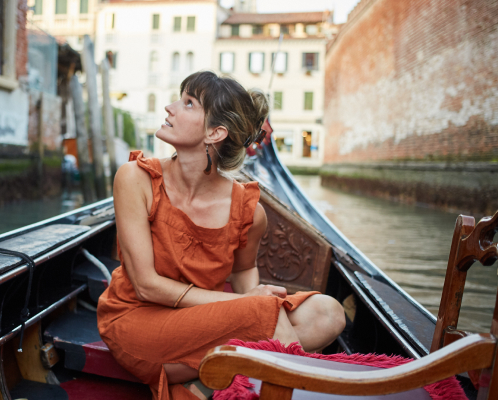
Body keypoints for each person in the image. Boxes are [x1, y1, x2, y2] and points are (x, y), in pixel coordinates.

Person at [97, 71, 346, 400]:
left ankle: (218, 372)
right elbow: (146, 285)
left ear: (215, 132)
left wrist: (249, 300)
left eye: (188, 103)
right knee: (261, 313)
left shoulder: (247, 210)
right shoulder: (136, 179)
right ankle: (294, 386)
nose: (170, 108)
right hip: (137, 319)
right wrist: (248, 305)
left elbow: (243, 273)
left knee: (328, 312)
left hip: (206, 321)